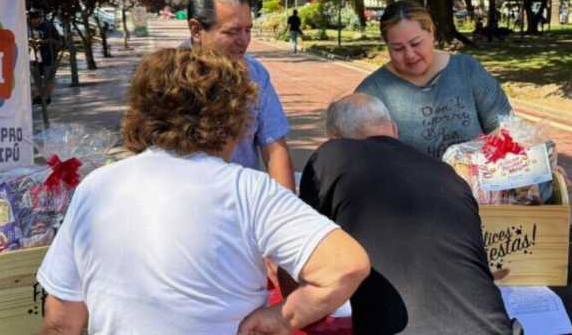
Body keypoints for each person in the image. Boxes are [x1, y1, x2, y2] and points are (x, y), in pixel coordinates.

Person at [36, 48, 370, 334]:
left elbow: (62, 318)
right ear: (231, 120)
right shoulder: (247, 189)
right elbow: (345, 266)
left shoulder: (97, 186)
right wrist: (282, 317)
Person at [298, 93, 512, 334]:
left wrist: (292, 316)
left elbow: (300, 249)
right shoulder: (448, 174)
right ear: (394, 129)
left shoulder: (331, 156)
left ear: (335, 138)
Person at [355, 0, 513, 159]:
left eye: (416, 43)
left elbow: (502, 126)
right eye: (398, 48)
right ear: (387, 45)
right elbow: (365, 159)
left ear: (432, 33)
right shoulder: (372, 92)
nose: (409, 54)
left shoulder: (466, 69)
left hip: (479, 179)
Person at [183, 0, 296, 189]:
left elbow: (274, 148)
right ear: (196, 30)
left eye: (248, 29)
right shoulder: (166, 77)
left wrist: (287, 211)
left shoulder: (255, 74)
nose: (244, 40)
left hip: (241, 204)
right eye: (232, 31)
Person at [28, 11, 61, 105]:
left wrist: (42, 41)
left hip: (48, 55)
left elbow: (57, 41)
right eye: (31, 19)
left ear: (39, 18)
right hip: (33, 56)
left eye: (34, 19)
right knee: (36, 77)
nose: (33, 21)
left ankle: (47, 97)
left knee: (48, 77)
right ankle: (39, 95)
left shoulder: (48, 26)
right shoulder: (28, 27)